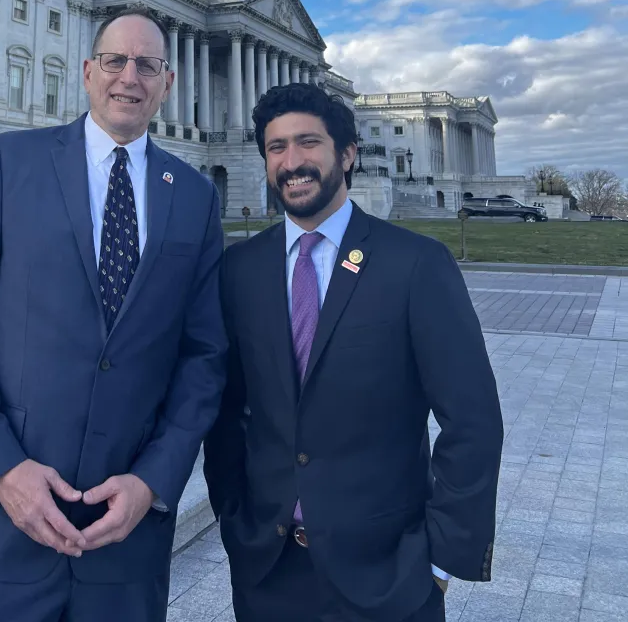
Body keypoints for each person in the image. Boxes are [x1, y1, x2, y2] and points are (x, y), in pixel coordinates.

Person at [0, 6, 227, 622]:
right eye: (115, 61)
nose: (129, 78)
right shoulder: (11, 163)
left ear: (167, 83)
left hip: (124, 539)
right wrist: (2, 467)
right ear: (88, 73)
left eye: (148, 65)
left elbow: (204, 356)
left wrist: (153, 480)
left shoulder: (194, 196)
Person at [204, 84, 504, 622]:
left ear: (347, 154)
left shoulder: (415, 264)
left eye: (308, 143)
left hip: (388, 574)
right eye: (276, 148)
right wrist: (233, 518)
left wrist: (440, 556)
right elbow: (227, 411)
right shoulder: (240, 269)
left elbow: (472, 419)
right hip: (268, 572)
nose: (292, 162)